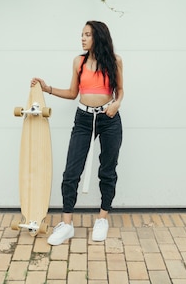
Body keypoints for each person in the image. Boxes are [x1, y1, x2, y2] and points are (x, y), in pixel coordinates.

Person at [31, 20, 123, 245]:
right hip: (83, 119)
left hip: (109, 119)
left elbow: (119, 91)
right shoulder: (78, 62)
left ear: (98, 36)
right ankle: (67, 224)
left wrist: (116, 104)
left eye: (87, 34)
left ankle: (102, 218)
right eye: (82, 34)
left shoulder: (115, 61)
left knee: (108, 169)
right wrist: (47, 88)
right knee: (71, 171)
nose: (82, 38)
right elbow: (73, 93)